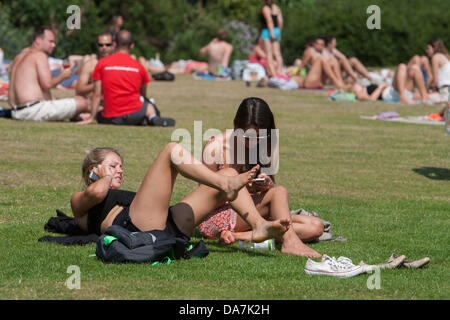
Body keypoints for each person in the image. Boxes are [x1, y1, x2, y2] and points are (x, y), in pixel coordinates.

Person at [70, 143, 291, 255]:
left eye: (120, 166)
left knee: (230, 174)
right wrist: (103, 176)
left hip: (167, 225)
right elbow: (97, 192)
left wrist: (106, 172)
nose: (119, 171)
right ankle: (224, 185)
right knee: (171, 150)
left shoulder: (113, 192)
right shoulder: (80, 200)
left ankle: (259, 226)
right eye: (112, 166)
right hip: (136, 228)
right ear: (93, 170)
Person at [197, 97, 323, 258]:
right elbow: (203, 201)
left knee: (315, 226)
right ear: (236, 126)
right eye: (246, 136)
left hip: (249, 214)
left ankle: (239, 237)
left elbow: (269, 192)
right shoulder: (215, 148)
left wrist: (266, 184)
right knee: (279, 193)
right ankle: (290, 242)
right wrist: (243, 188)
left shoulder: (266, 143)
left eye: (258, 137)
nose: (251, 142)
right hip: (215, 217)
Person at [78, 30, 175, 127]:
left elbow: (97, 94)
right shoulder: (139, 66)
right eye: (101, 45)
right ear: (132, 46)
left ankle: (148, 119)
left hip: (110, 118)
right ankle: (152, 118)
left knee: (101, 112)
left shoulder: (102, 64)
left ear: (114, 44)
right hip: (134, 115)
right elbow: (143, 95)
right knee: (148, 104)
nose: (104, 48)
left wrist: (91, 118)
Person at [7, 26, 90, 122]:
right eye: (50, 41)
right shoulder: (39, 55)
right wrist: (64, 75)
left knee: (74, 100)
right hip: (32, 110)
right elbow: (47, 85)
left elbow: (41, 90)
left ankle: (77, 115)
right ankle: (104, 115)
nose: (53, 45)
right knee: (84, 103)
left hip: (16, 111)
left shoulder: (20, 55)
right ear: (38, 40)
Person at [75, 31, 116, 98]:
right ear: (97, 45)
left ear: (113, 45)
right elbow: (79, 89)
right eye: (101, 45)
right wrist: (97, 84)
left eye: (108, 45)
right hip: (95, 100)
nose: (104, 47)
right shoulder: (90, 64)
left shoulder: (118, 63)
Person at [259, 0, 284, 77]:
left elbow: (269, 21)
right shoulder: (277, 8)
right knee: (277, 54)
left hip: (267, 32)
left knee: (269, 54)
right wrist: (279, 33)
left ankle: (273, 75)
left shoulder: (265, 8)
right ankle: (280, 72)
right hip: (277, 30)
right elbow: (280, 21)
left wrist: (271, 33)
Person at [426, 38, 450, 113]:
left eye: (428, 48)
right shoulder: (446, 57)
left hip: (445, 91)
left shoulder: (435, 57)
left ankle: (443, 102)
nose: (426, 51)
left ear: (434, 48)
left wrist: (429, 88)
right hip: (446, 89)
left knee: (422, 96)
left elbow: (435, 81)